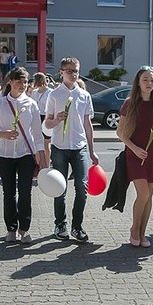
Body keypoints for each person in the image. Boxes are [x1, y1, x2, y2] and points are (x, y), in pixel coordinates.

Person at [0, 67, 47, 243]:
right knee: (8, 193)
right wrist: (2, 134)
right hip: (4, 154)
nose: (23, 85)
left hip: (26, 154)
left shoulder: (31, 104)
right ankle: (11, 229)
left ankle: (24, 229)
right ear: (10, 82)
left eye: (25, 81)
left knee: (25, 192)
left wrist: (41, 155)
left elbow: (37, 133)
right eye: (19, 81)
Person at [44, 56, 99, 242]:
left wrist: (91, 150)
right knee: (60, 188)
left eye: (76, 71)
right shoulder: (54, 95)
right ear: (61, 72)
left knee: (82, 188)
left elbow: (87, 124)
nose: (73, 74)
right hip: (59, 147)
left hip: (79, 147)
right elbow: (47, 123)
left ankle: (77, 226)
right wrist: (57, 119)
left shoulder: (84, 95)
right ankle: (60, 224)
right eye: (69, 71)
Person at [116, 66, 153, 248]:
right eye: (145, 79)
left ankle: (143, 233)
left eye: (152, 80)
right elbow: (120, 132)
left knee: (149, 196)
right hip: (135, 154)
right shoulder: (130, 103)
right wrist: (135, 148)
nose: (149, 83)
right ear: (138, 82)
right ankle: (134, 229)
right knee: (143, 193)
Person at [30, 72, 53, 165]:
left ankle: (46, 164)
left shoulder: (49, 92)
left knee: (46, 143)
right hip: (36, 117)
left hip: (45, 117)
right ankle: (39, 164)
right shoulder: (34, 92)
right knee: (37, 143)